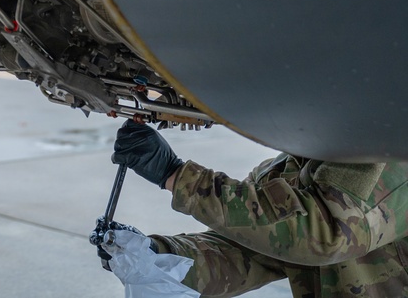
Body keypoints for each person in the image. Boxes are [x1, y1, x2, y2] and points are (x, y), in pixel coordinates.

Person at [103, 120, 408, 297]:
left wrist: (176, 175)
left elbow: (328, 234)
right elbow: (244, 252)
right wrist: (155, 255)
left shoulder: (391, 152)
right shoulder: (289, 166)